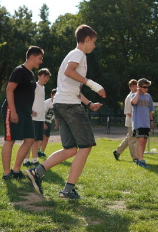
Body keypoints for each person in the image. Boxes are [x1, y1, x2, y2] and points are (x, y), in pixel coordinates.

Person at [25, 24, 106, 199]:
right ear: (86, 39)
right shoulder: (79, 54)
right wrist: (93, 84)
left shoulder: (71, 54)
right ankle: (68, 189)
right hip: (70, 107)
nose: (94, 46)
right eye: (93, 42)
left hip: (61, 105)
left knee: (70, 149)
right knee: (86, 146)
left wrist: (89, 102)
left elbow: (72, 87)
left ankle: (37, 172)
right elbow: (70, 72)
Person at [1, 46, 44, 180]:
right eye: (39, 58)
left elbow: (24, 94)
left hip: (25, 112)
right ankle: (7, 173)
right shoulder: (19, 71)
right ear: (31, 57)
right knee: (10, 140)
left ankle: (16, 170)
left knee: (30, 139)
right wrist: (13, 111)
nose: (41, 61)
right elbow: (9, 90)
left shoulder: (30, 74)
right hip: (12, 110)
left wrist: (29, 109)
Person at [23, 68, 51, 167]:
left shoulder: (43, 88)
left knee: (37, 140)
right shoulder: (34, 85)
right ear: (39, 76)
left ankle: (34, 159)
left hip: (40, 118)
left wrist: (43, 120)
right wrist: (29, 111)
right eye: (44, 77)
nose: (46, 79)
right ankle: (26, 160)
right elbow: (25, 98)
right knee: (28, 139)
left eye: (47, 77)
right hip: (32, 117)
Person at [131, 78, 154, 168]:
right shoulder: (134, 95)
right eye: (144, 87)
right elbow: (134, 102)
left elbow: (150, 110)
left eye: (147, 87)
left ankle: (140, 158)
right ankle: (141, 161)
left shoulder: (148, 96)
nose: (146, 89)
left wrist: (151, 120)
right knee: (140, 140)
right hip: (138, 123)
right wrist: (137, 92)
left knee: (144, 141)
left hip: (146, 123)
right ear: (139, 87)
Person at [113, 79, 138, 162]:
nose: (134, 88)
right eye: (133, 86)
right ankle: (135, 158)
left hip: (136, 122)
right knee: (132, 140)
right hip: (131, 122)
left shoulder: (137, 96)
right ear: (130, 87)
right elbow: (128, 113)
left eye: (136, 86)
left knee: (129, 138)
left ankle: (117, 152)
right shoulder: (129, 97)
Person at [34, 88, 58, 159]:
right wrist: (43, 123)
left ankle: (42, 151)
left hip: (49, 121)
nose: (55, 97)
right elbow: (42, 113)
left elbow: (56, 114)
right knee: (42, 137)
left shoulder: (57, 104)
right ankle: (37, 150)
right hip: (42, 120)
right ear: (51, 95)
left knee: (47, 137)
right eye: (54, 95)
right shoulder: (47, 103)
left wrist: (56, 123)